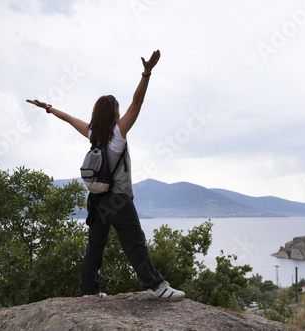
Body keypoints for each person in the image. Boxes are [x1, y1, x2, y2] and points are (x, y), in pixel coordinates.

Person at [26, 50, 185, 301]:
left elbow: (68, 118)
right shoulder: (118, 133)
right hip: (119, 199)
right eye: (118, 109)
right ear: (113, 113)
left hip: (97, 200)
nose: (122, 112)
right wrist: (147, 73)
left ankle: (89, 291)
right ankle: (156, 286)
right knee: (135, 243)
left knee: (95, 246)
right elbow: (139, 101)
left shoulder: (92, 134)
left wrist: (48, 108)